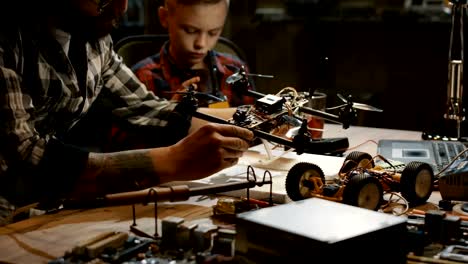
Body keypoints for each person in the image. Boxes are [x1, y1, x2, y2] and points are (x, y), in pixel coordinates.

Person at [0, 0, 254, 226]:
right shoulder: (10, 40)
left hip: (42, 200)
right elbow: (24, 152)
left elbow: (147, 108)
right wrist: (172, 161)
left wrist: (259, 118)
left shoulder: (94, 39)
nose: (121, 8)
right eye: (103, 0)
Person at [131, 0, 254, 107]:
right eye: (190, 31)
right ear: (164, 17)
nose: (201, 44)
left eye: (213, 32)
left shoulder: (234, 70)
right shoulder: (143, 77)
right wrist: (171, 112)